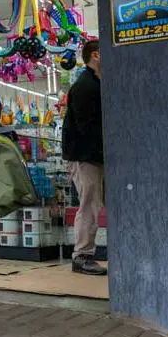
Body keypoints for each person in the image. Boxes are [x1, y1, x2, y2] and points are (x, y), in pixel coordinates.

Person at [62, 39, 107, 276]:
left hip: (98, 155)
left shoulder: (98, 83)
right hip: (85, 156)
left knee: (96, 203)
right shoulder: (84, 86)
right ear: (96, 55)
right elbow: (86, 127)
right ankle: (82, 256)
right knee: (90, 204)